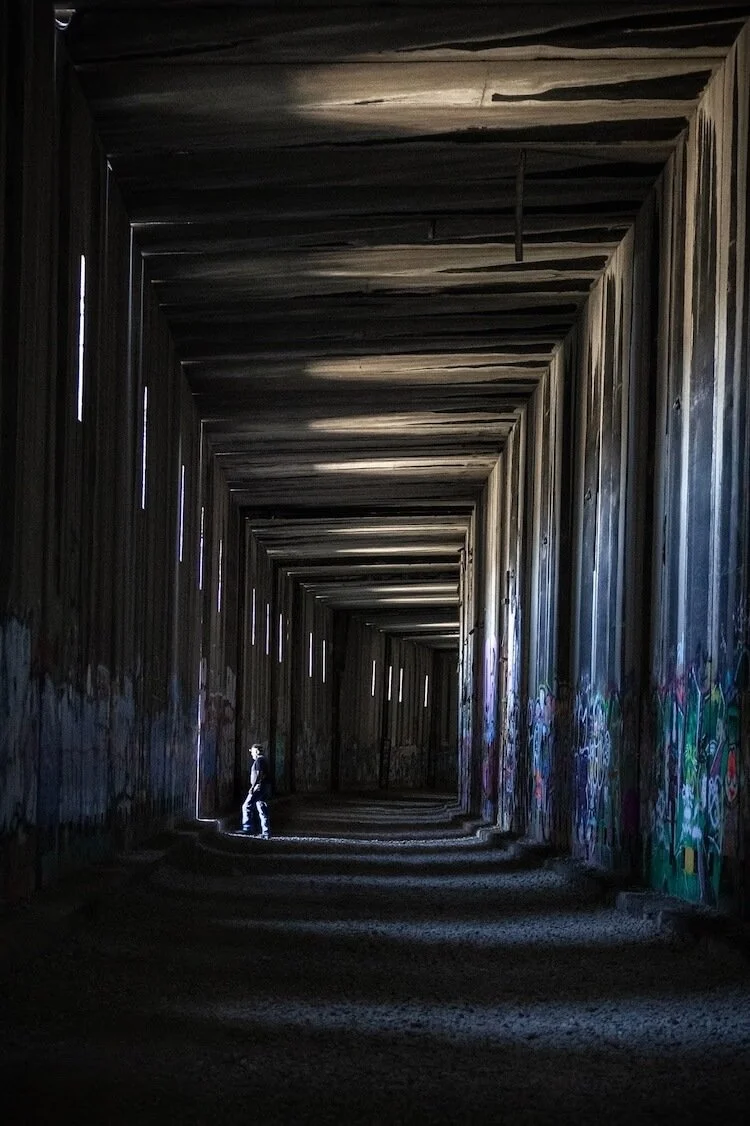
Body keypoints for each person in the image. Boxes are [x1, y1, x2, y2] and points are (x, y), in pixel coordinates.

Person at [241, 743, 271, 838]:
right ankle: (266, 832)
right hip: (263, 787)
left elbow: (259, 774)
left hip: (258, 787)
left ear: (257, 751)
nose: (252, 754)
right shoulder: (264, 760)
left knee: (246, 806)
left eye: (253, 752)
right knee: (262, 809)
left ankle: (247, 828)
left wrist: (252, 787)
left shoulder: (259, 761)